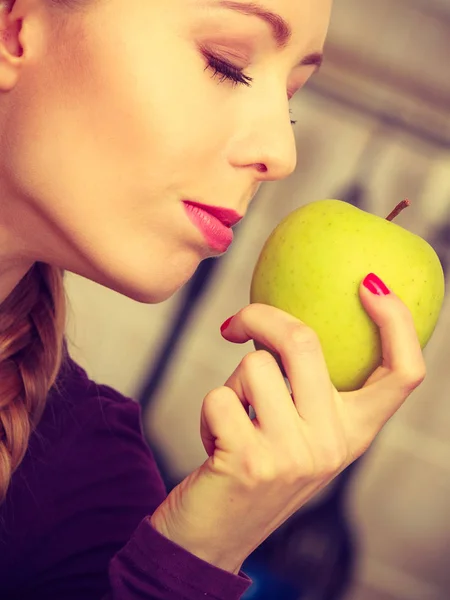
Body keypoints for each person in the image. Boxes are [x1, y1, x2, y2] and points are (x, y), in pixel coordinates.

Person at [0, 0, 427, 598]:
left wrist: (195, 555)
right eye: (227, 65)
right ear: (15, 28)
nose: (282, 154)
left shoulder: (99, 492)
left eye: (291, 102)